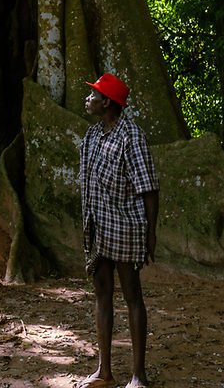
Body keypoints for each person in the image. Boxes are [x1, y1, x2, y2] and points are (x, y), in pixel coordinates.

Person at [78, 73, 159, 388]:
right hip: (98, 228)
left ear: (107, 102)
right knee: (101, 294)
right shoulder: (93, 134)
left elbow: (148, 188)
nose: (88, 99)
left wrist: (150, 232)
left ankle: (138, 375)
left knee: (132, 296)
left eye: (93, 95)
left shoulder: (130, 135)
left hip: (125, 227)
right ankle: (105, 371)